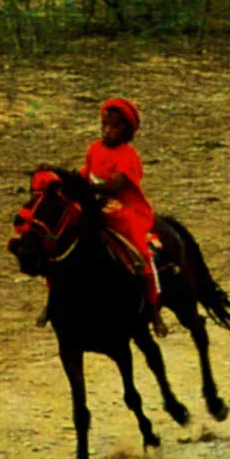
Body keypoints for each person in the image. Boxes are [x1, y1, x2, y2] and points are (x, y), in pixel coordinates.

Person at [78, 98, 168, 338]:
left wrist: (85, 188)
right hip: (95, 205)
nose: (108, 131)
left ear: (126, 131)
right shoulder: (94, 148)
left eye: (114, 127)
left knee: (141, 252)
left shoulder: (128, 156)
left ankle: (153, 309)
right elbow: (84, 173)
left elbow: (114, 186)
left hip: (124, 208)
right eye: (105, 125)